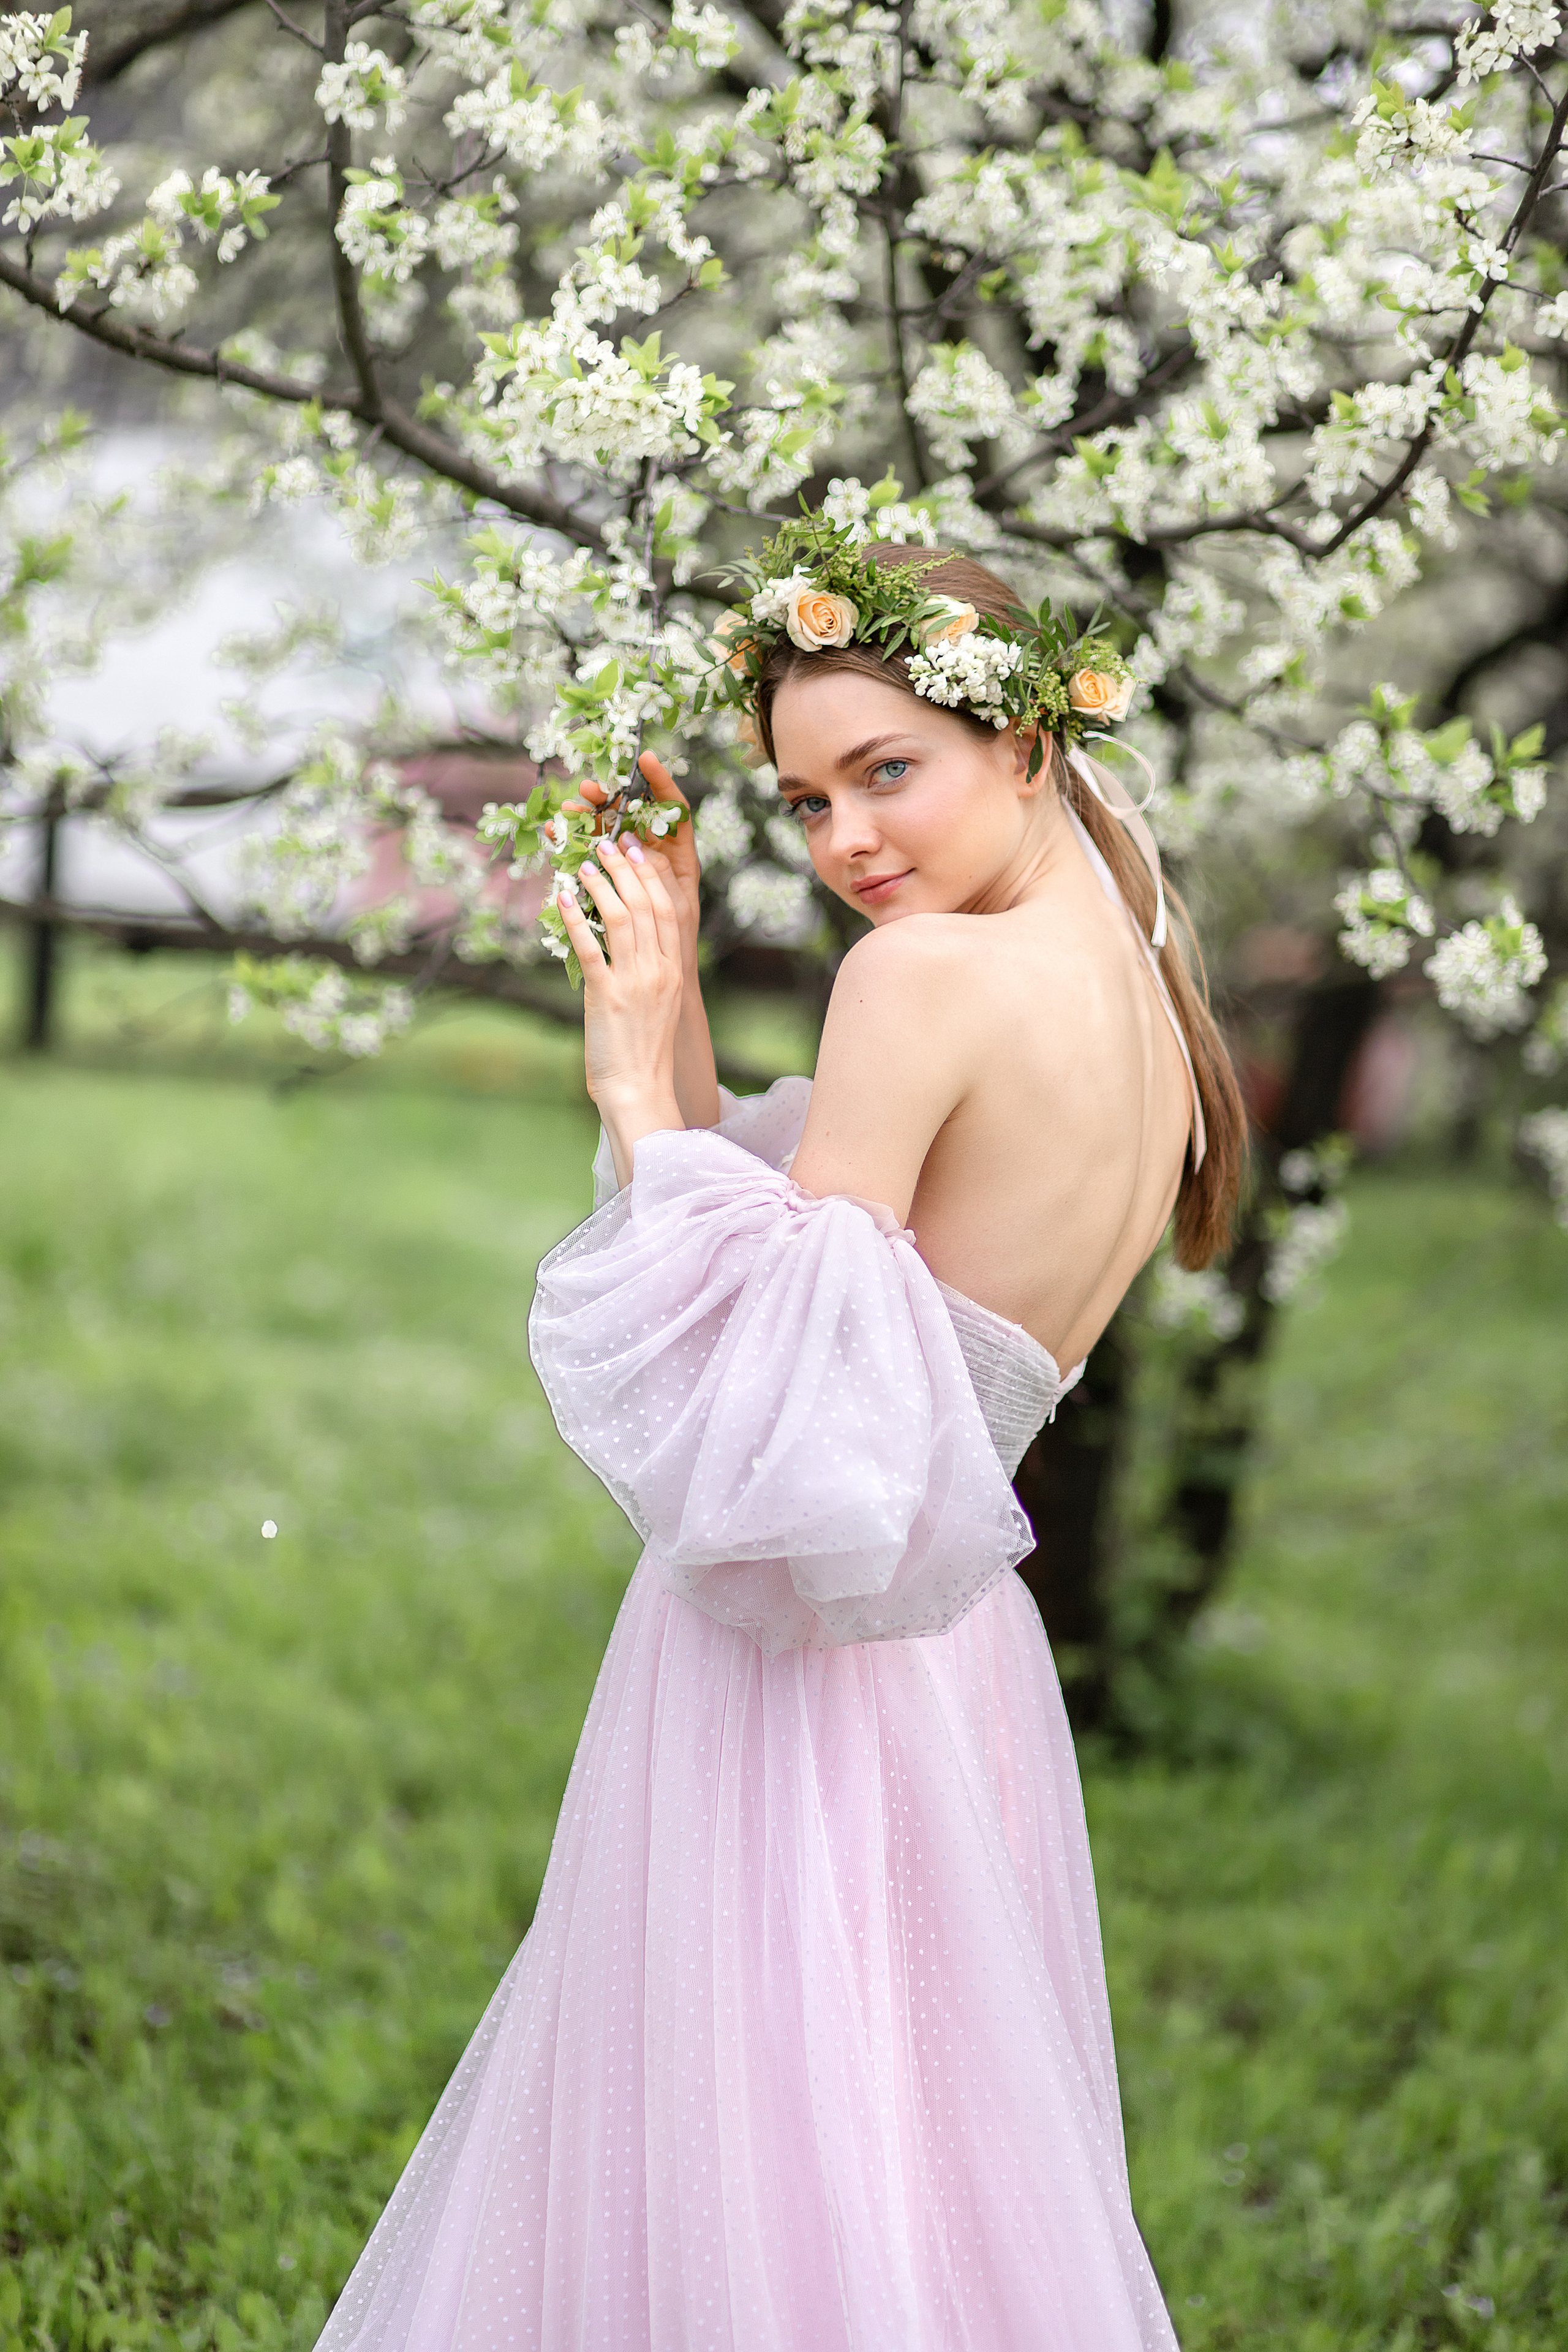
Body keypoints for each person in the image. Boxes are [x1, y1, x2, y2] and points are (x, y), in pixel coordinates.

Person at [314, 533, 1246, 2352]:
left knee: (735, 2109)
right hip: (949, 1636)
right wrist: (650, 1022)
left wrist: (615, 1079)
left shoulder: (920, 983)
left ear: (1032, 745)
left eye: (887, 772)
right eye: (808, 799)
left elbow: (771, 1398)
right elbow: (810, 1263)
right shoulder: (1134, 1000)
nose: (844, 843)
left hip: (798, 1645)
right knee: (896, 2136)